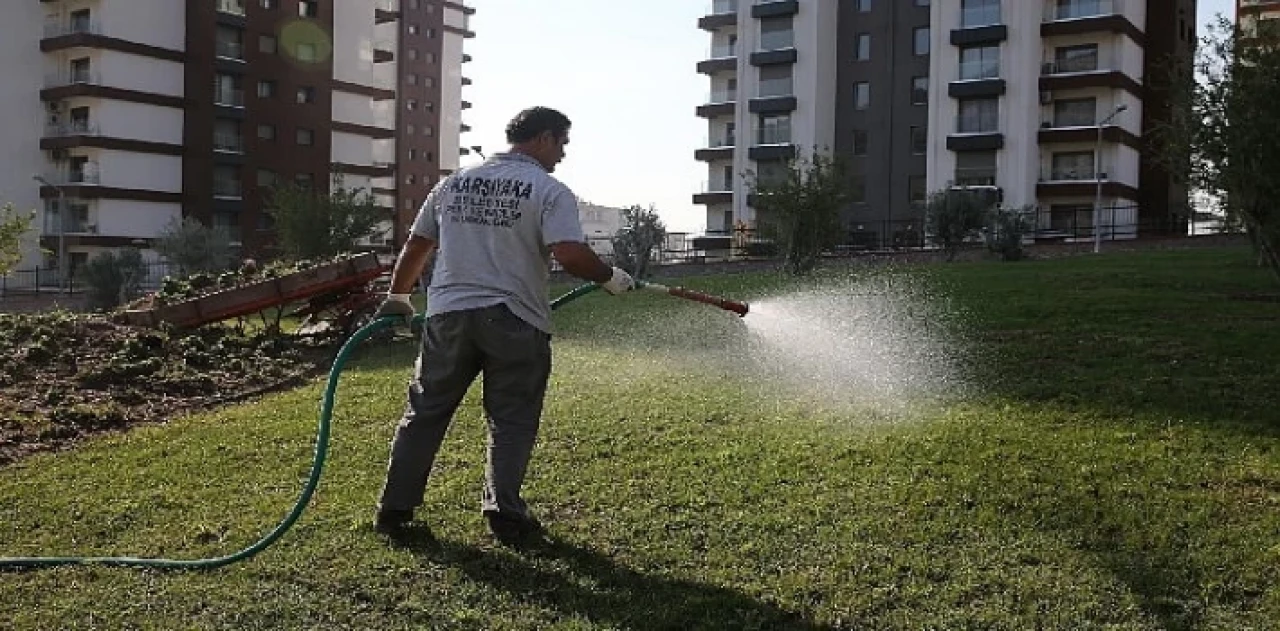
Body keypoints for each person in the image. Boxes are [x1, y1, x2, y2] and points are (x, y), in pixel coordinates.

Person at [371, 106, 634, 544]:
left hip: (449, 315)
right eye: (562, 143)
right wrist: (610, 277)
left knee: (425, 413)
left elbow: (418, 244)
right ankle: (504, 515)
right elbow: (568, 253)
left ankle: (394, 511)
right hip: (514, 318)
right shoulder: (548, 189)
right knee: (511, 418)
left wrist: (398, 297)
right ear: (545, 138)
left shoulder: (452, 184)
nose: (563, 154)